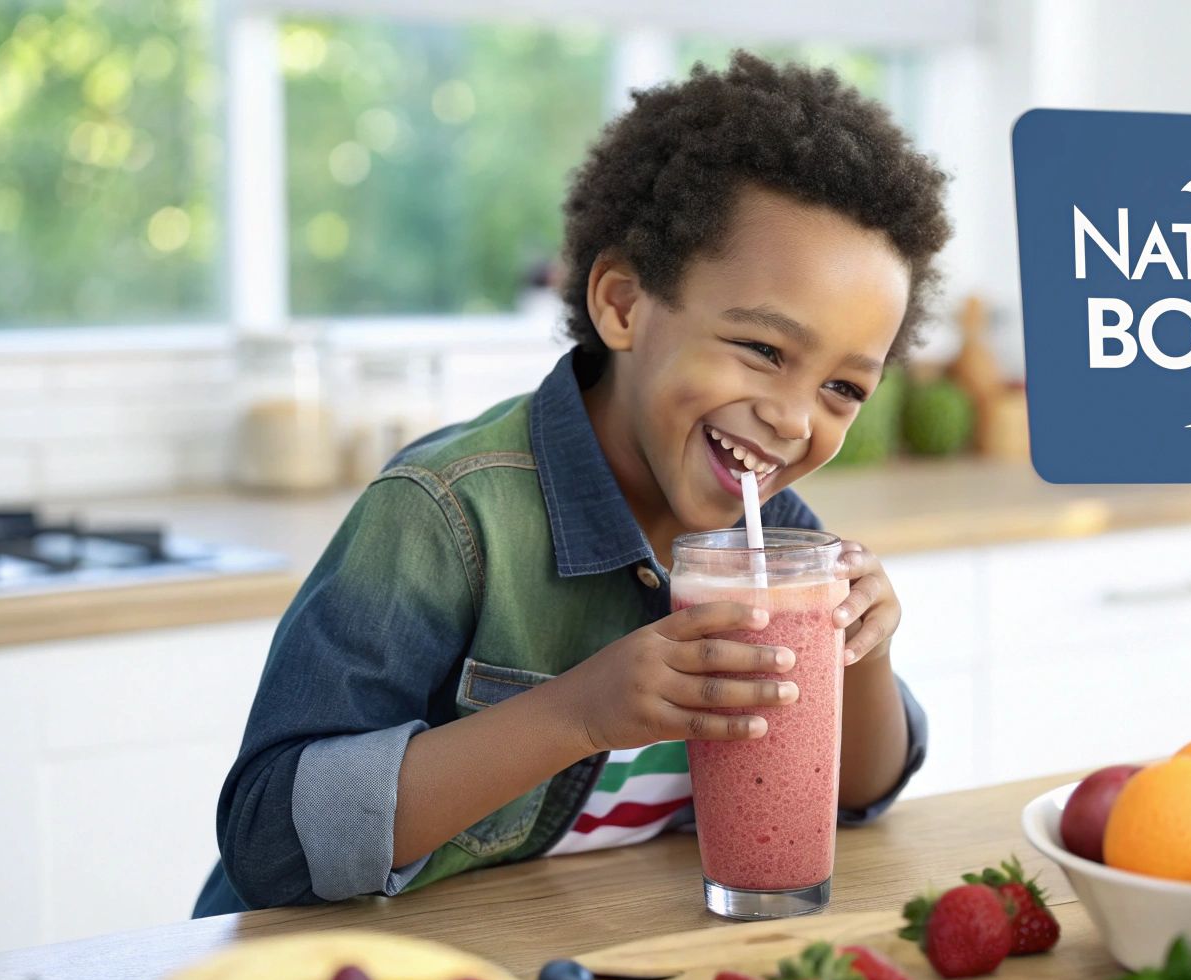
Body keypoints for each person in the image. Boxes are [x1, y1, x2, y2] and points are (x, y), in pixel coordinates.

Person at [194, 51, 952, 914]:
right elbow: (272, 843)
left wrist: (864, 653)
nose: (792, 417)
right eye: (764, 350)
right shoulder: (446, 514)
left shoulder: (774, 536)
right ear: (623, 304)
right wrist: (577, 714)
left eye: (843, 388)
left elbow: (859, 798)